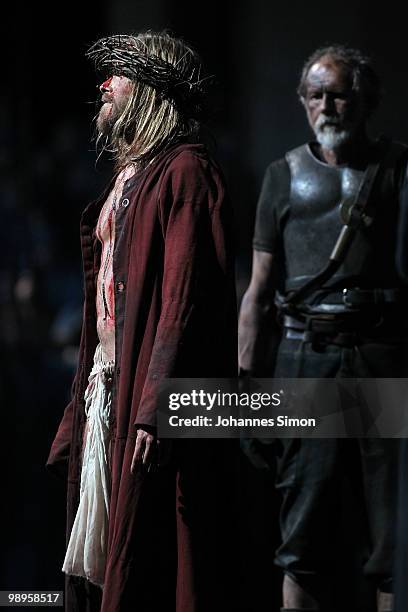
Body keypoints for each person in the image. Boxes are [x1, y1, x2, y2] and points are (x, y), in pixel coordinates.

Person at [46, 32, 237, 612]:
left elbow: (181, 301)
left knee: (151, 550)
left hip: (146, 400)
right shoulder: (130, 175)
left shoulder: (184, 172)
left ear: (151, 90)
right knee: (103, 556)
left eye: (118, 75)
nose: (103, 86)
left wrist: (159, 406)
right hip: (109, 385)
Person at [239, 44, 408, 612]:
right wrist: (247, 389)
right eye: (316, 95)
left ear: (366, 100)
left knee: (391, 540)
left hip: (379, 357)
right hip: (302, 359)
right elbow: (260, 292)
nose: (327, 105)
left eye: (339, 93)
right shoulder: (281, 177)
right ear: (302, 102)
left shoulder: (397, 170)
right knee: (302, 536)